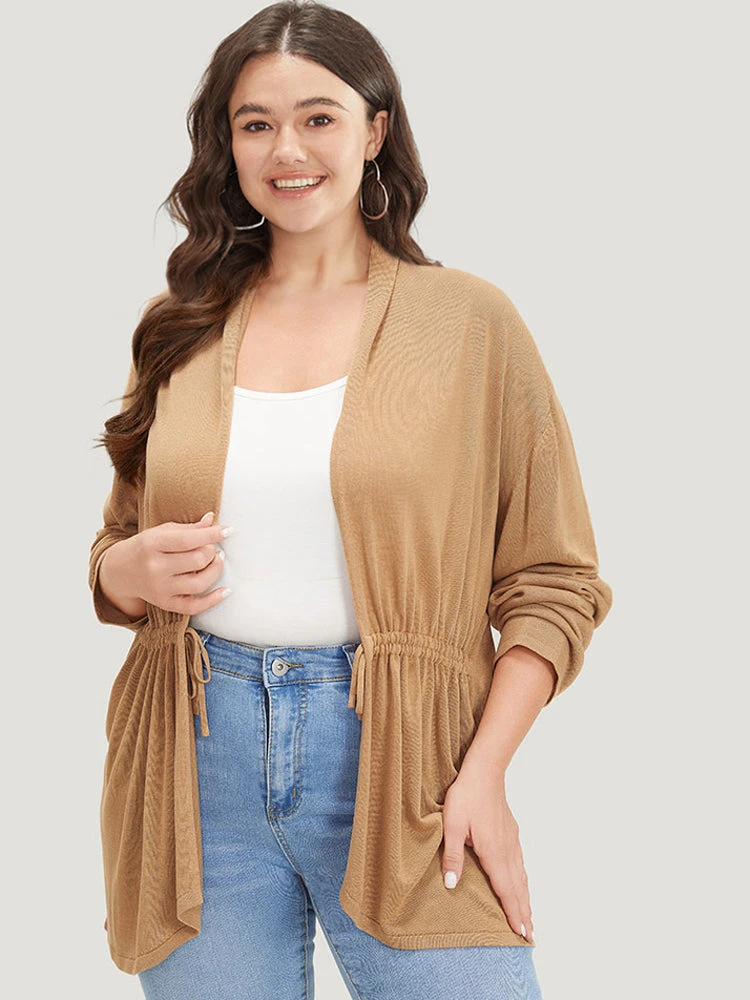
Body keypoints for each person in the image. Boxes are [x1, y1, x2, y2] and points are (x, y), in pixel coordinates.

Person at [89, 2, 613, 998]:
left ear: (375, 130)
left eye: (318, 117)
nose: (286, 150)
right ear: (228, 144)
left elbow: (554, 580)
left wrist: (484, 773)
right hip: (195, 764)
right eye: (255, 123)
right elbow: (116, 547)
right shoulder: (179, 325)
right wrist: (125, 568)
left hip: (410, 765)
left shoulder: (469, 324)